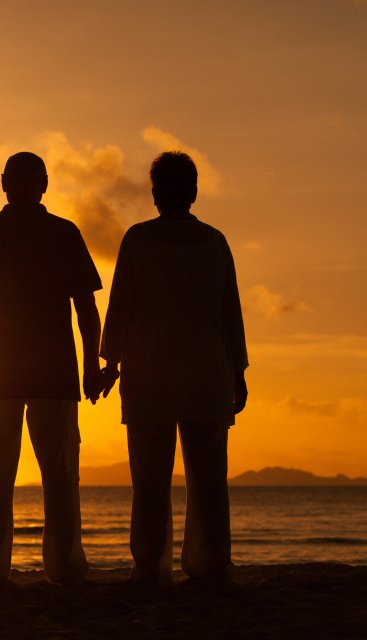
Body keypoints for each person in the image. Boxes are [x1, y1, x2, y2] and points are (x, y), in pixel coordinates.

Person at [0, 151, 107, 587]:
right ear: (44, 184)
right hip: (50, 373)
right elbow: (87, 308)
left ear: (5, 182)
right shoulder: (61, 232)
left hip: (4, 374)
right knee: (58, 478)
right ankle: (65, 568)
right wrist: (90, 365)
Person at [100, 151, 248, 586]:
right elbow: (230, 314)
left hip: (150, 372)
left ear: (155, 193)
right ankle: (211, 565)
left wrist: (110, 363)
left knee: (149, 477)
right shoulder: (214, 242)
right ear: (194, 191)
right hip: (206, 369)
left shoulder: (138, 239)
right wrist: (238, 372)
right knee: (208, 478)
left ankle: (149, 567)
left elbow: (121, 306)